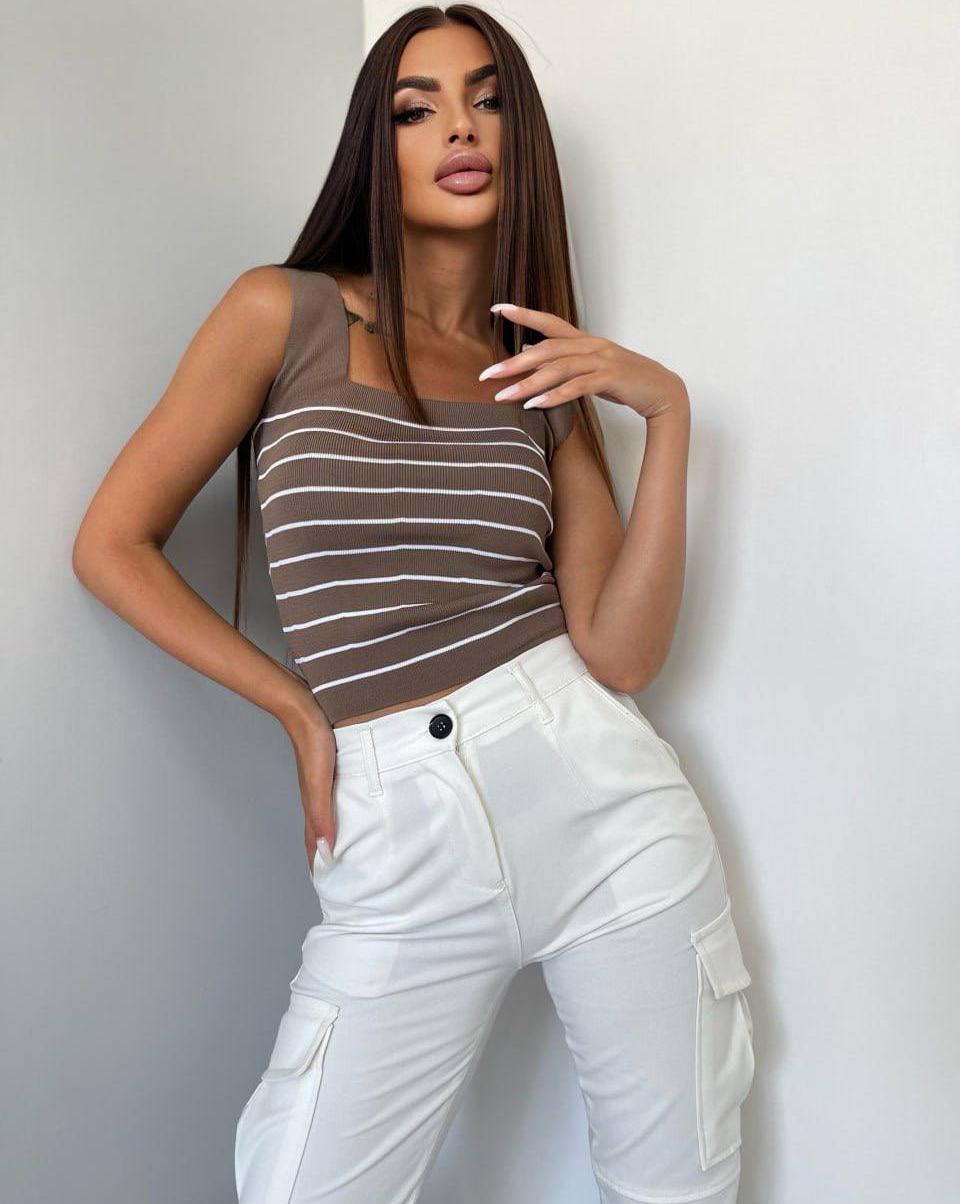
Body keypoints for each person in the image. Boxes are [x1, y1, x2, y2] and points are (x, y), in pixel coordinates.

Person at [72, 6, 756, 1202]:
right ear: (374, 146)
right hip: (395, 817)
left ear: (521, 137)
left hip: (604, 804)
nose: (460, 127)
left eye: (488, 99)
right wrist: (296, 706)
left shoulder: (538, 371)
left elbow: (622, 652)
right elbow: (110, 543)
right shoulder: (282, 314)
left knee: (678, 1185)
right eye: (417, 106)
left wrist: (668, 413)